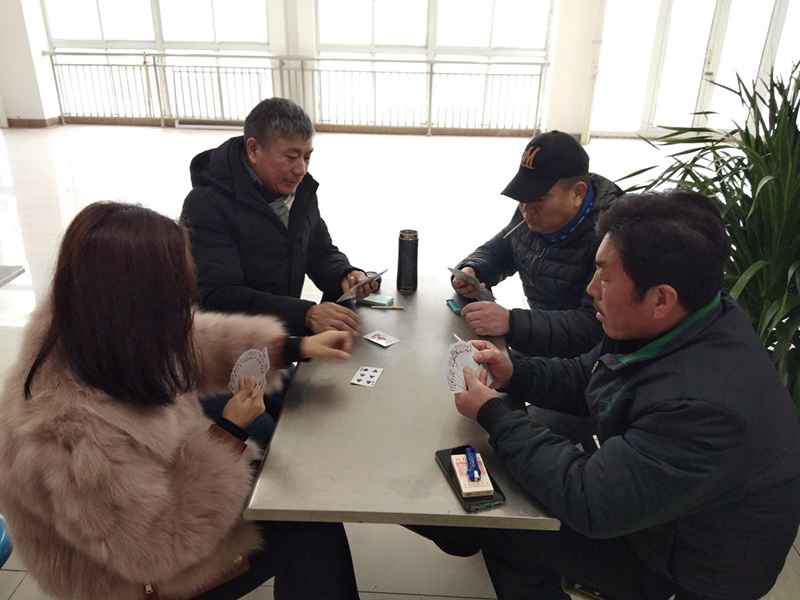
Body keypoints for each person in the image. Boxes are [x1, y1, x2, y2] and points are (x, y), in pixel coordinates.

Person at [421, 190, 800, 600]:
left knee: (509, 527)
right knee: (515, 487)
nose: (591, 288)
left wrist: (495, 415)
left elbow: (590, 501)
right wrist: (514, 372)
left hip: (689, 567)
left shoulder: (704, 407)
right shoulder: (682, 317)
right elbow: (588, 376)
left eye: (604, 277)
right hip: (661, 508)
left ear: (660, 298)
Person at [0, 202, 361, 600]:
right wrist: (229, 434)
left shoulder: (93, 322)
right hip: (128, 578)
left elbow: (194, 342)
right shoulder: (67, 435)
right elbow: (156, 548)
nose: (184, 311)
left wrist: (293, 346)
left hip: (155, 501)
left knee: (298, 500)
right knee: (309, 526)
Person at [180, 97, 377, 339]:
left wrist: (344, 275)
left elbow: (318, 250)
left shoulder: (300, 190)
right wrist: (305, 314)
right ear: (253, 150)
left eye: (307, 157)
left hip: (281, 338)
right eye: (291, 157)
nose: (301, 169)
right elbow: (220, 296)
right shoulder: (207, 205)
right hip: (231, 347)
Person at [452, 130, 623, 359]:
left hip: (585, 363)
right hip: (538, 342)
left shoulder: (614, 239)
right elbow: (504, 248)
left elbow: (594, 325)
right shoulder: (533, 213)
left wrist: (512, 322)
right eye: (522, 196)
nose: (526, 209)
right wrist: (473, 269)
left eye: (538, 199)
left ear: (577, 193)